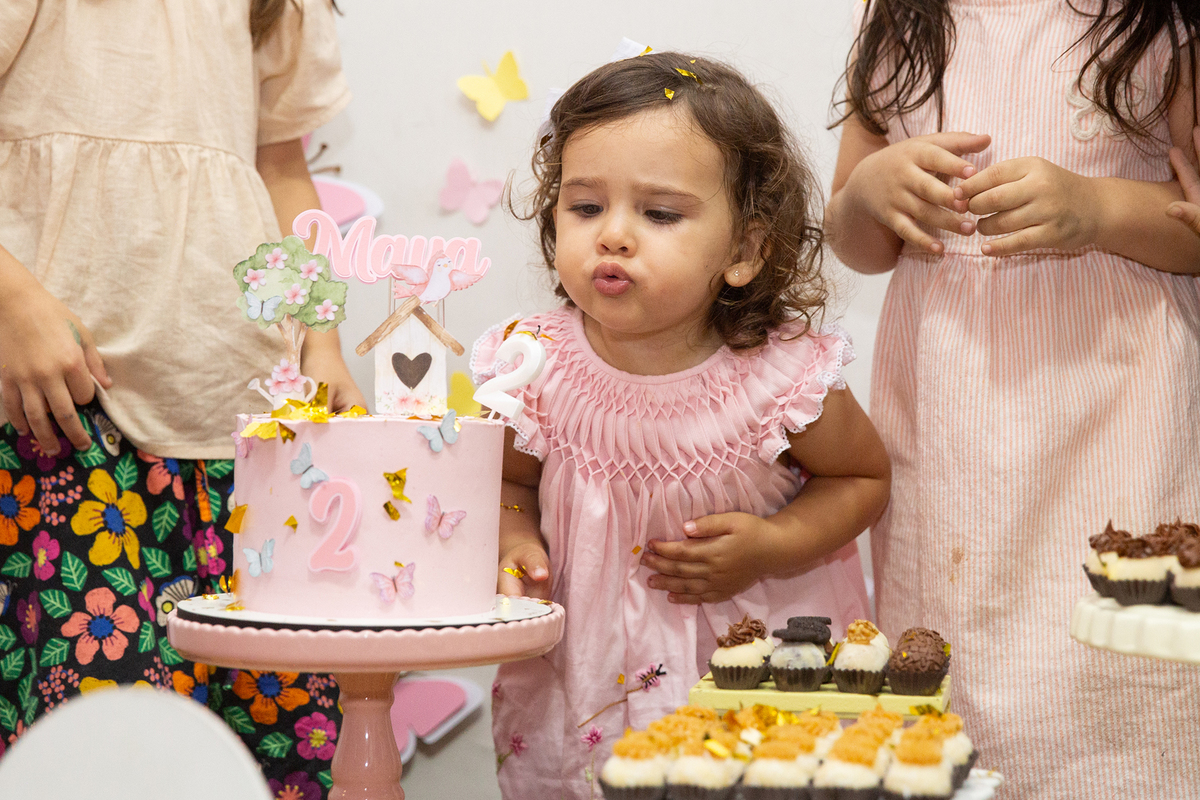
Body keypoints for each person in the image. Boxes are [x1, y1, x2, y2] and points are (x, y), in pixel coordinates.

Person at [471, 52, 891, 799]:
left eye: (659, 214)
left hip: (749, 683)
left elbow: (861, 477)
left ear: (745, 250)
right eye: (586, 207)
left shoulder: (779, 377)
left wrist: (772, 543)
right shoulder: (530, 366)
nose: (614, 236)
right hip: (586, 688)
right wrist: (513, 538)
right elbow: (506, 478)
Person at [825, 2, 1200, 797]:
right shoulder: (902, 17)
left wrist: (1100, 208)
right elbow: (854, 239)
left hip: (1120, 410)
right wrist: (870, 192)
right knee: (961, 659)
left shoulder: (1161, 20)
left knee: (1119, 663)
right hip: (950, 413)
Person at [0, 1, 364, 795]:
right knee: (111, 753)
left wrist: (323, 337)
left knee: (284, 749)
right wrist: (11, 300)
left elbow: (281, 169)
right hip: (62, 417)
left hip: (246, 419)